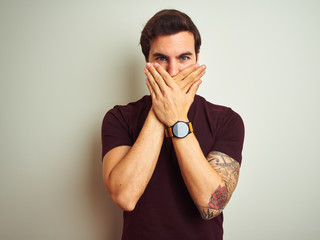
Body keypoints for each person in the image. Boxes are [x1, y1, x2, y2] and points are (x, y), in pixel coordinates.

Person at [101, 9, 245, 240]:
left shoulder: (227, 121)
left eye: (184, 58)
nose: (173, 70)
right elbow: (125, 197)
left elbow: (212, 205)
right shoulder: (119, 117)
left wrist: (177, 119)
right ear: (147, 62)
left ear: (197, 59)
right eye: (161, 58)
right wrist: (160, 113)